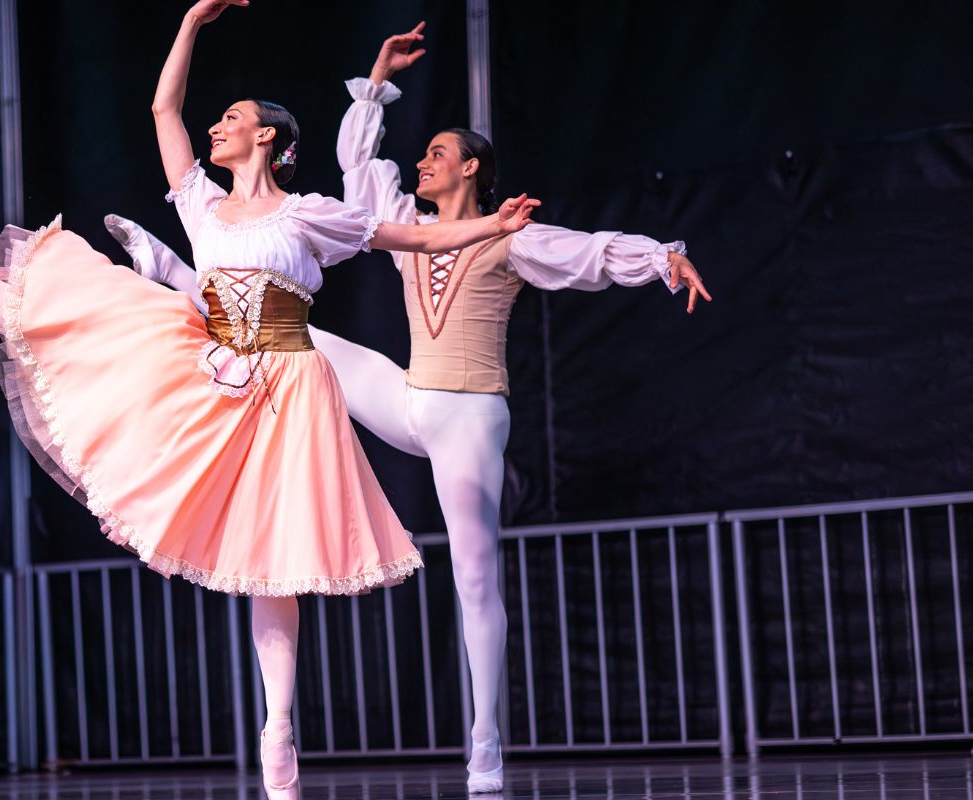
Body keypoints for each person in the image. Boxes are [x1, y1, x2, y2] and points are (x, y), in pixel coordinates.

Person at [0, 4, 538, 797]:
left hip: (285, 381)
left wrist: (489, 229)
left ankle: (278, 730)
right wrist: (188, 24)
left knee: (272, 563)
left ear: (269, 137)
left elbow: (413, 238)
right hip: (209, 360)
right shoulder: (200, 203)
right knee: (74, 310)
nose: (217, 128)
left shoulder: (309, 213)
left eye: (233, 119)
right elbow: (162, 109)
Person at [102, 21, 711, 795]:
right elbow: (362, 167)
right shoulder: (409, 227)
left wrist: (661, 256)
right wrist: (377, 82)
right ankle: (183, 281)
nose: (422, 163)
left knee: (476, 576)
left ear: (474, 168)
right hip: (409, 394)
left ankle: (484, 746)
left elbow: (587, 253)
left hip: (469, 415)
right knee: (292, 338)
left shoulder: (510, 238)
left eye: (437, 155)